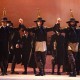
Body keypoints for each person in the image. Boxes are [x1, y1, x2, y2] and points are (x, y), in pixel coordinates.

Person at [56, 11, 80, 77]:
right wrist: (58, 23)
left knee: (73, 60)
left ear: (75, 23)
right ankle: (74, 72)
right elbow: (59, 30)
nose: (72, 23)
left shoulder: (78, 30)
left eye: (73, 22)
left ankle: (73, 71)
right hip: (69, 45)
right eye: (71, 22)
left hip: (76, 46)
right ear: (69, 23)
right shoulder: (67, 29)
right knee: (72, 59)